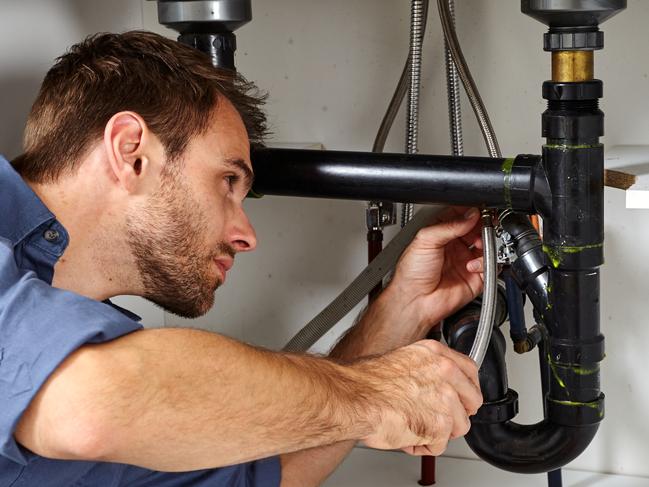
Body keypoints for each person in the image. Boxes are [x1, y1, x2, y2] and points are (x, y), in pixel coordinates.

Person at [0, 31, 485, 486]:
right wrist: (371, 394)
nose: (246, 235)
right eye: (228, 181)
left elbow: (262, 473)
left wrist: (404, 309)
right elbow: (90, 405)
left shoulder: (84, 356)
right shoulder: (94, 384)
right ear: (132, 153)